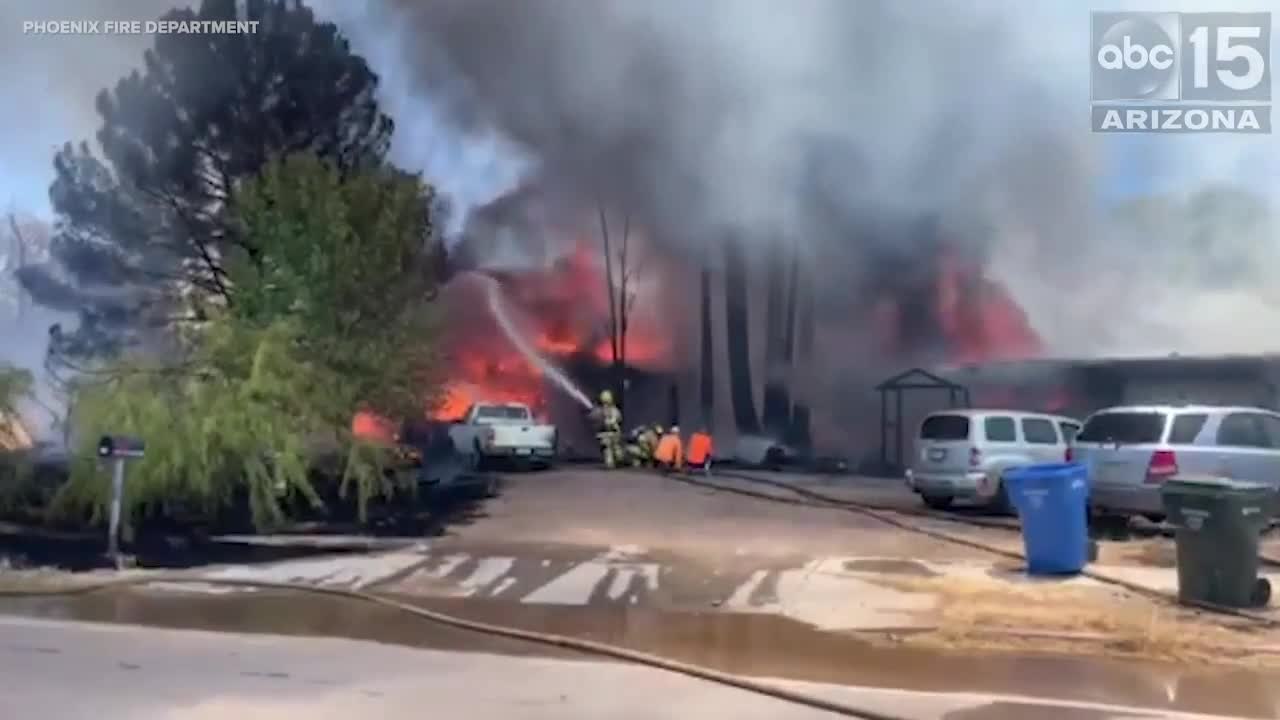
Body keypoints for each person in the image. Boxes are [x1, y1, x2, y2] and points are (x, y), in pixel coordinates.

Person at [591, 390, 623, 469]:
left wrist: (612, 421)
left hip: (613, 433)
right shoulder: (599, 410)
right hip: (605, 434)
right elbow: (594, 418)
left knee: (618, 453)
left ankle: (615, 461)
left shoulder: (614, 410)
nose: (606, 405)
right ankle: (611, 462)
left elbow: (618, 418)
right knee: (608, 450)